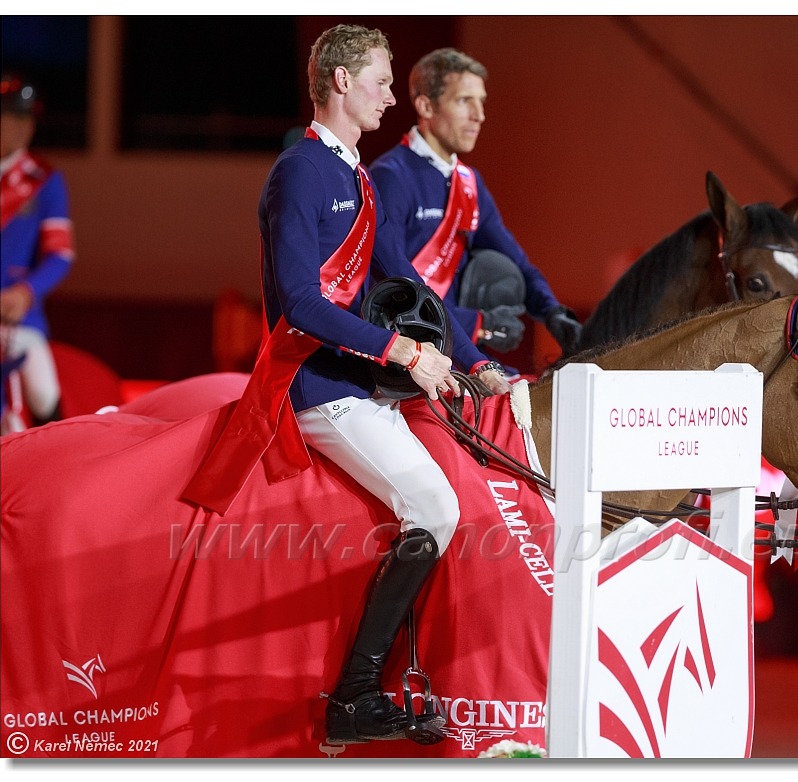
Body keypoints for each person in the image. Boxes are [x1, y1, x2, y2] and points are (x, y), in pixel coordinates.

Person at [182, 25, 510, 745]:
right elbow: (301, 303)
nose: (392, 97)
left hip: (364, 380)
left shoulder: (357, 175)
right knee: (435, 506)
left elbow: (404, 275)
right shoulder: (300, 171)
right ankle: (355, 693)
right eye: (382, 82)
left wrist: (469, 359)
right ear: (339, 82)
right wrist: (402, 352)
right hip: (316, 386)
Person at [369, 47, 582, 367]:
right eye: (464, 100)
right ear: (426, 106)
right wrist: (476, 323)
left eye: (481, 101)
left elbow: (516, 261)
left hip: (461, 350)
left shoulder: (470, 183)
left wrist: (552, 311)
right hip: (410, 355)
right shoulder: (390, 177)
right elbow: (390, 288)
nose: (479, 115)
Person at [0, 73, 75, 432]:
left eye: (27, 119)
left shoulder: (44, 180)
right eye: (12, 117)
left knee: (44, 393)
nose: (22, 127)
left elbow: (60, 254)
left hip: (19, 317)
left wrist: (24, 293)